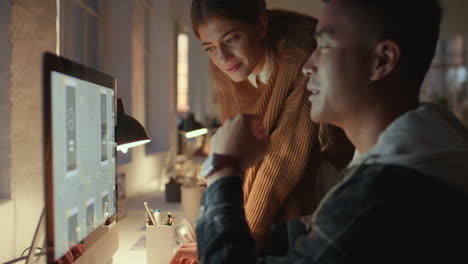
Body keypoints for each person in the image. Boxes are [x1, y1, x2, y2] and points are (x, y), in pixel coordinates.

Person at [171, 0, 468, 263]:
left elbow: (281, 163)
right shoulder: (426, 158)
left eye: (324, 47)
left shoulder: (372, 201)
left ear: (383, 60)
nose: (308, 65)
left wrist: (223, 169)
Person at [187, 0, 353, 256]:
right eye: (209, 48)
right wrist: (224, 231)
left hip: (320, 187)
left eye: (231, 39)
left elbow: (283, 158)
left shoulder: (299, 56)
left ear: (261, 25)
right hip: (280, 193)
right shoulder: (225, 66)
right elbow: (241, 152)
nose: (222, 57)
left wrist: (239, 240)